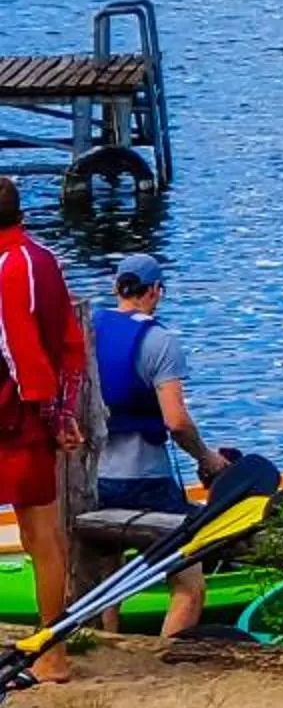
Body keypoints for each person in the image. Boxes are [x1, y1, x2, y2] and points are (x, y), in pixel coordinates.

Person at [94, 253, 226, 639]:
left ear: (116, 287)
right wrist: (206, 457)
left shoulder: (89, 327)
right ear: (155, 292)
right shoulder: (160, 341)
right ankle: (164, 655)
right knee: (189, 587)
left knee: (106, 582)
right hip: (146, 482)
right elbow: (176, 422)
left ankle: (106, 649)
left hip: (95, 479)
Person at [0, 178, 87, 681]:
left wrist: (48, 413)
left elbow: (19, 349)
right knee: (43, 532)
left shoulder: (9, 267)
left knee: (40, 532)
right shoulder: (44, 258)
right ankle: (54, 647)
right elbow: (70, 341)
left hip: (13, 413)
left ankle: (52, 652)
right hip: (33, 410)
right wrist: (65, 409)